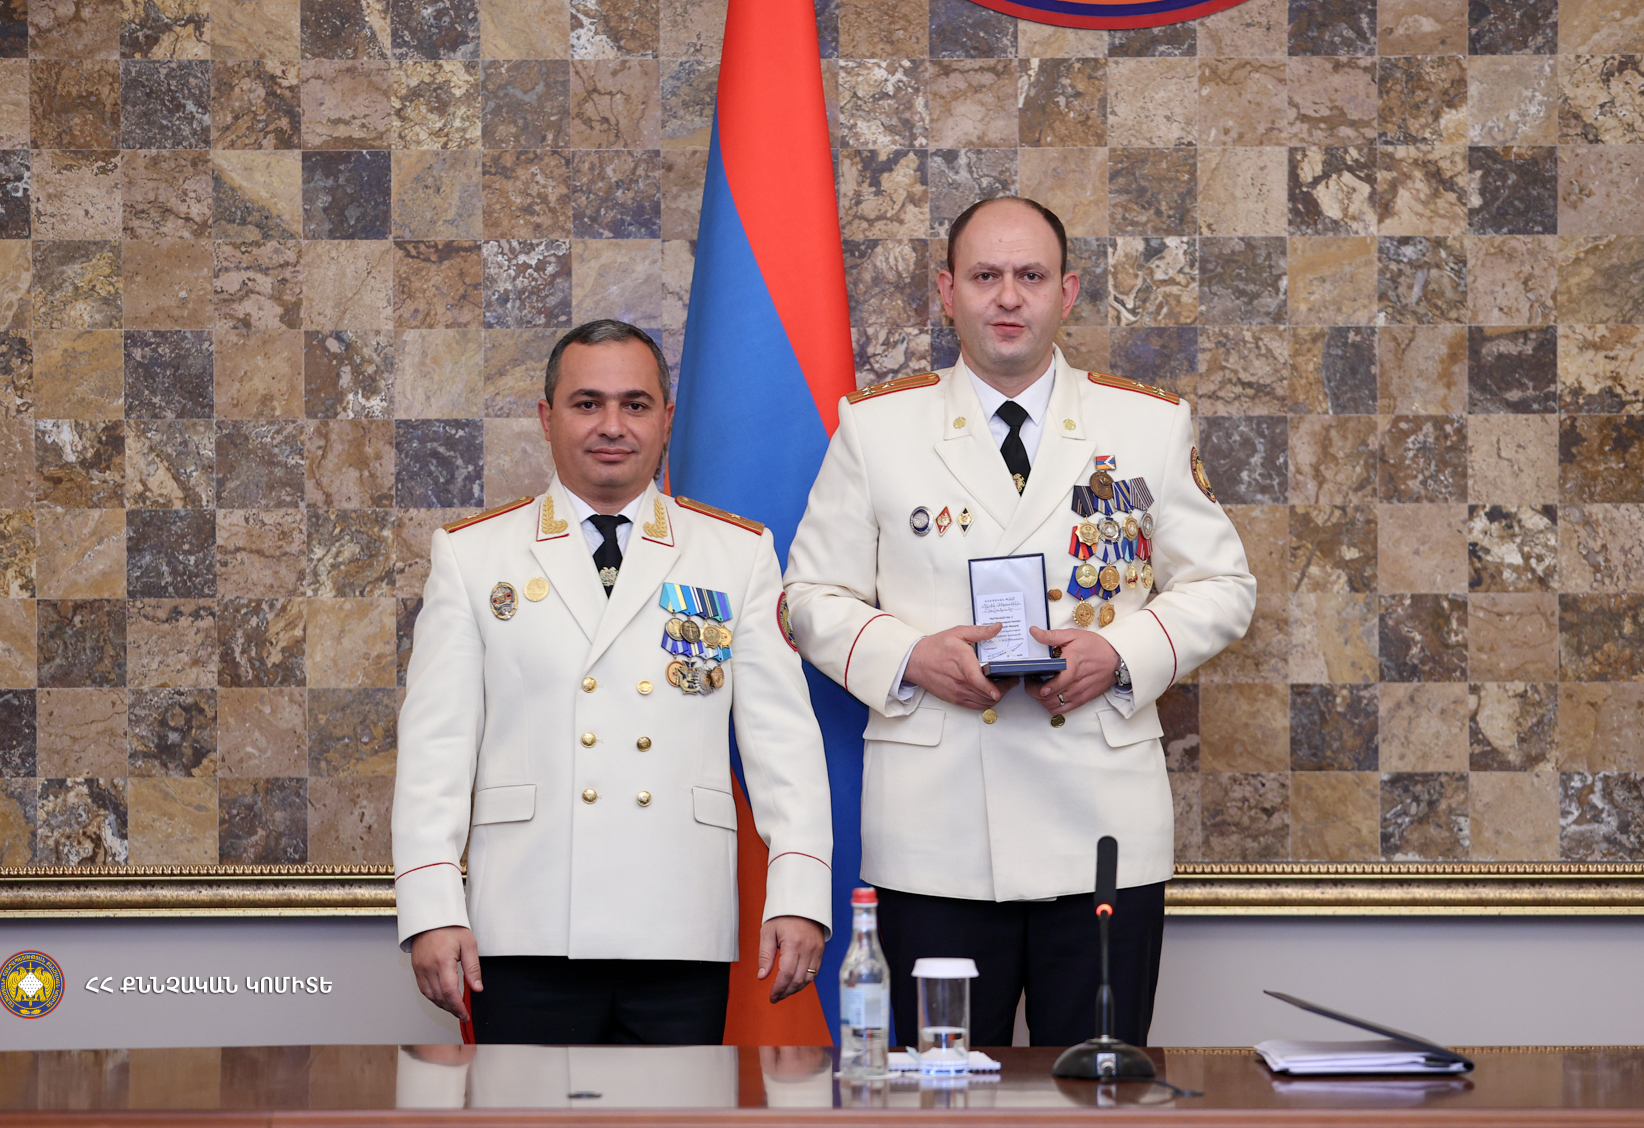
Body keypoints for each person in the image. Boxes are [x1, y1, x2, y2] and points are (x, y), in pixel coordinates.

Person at [783, 197, 1255, 1048]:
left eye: (1031, 276)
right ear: (947, 291)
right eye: (985, 276)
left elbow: (1223, 585)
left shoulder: (1146, 424)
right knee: (939, 1094)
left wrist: (1119, 654)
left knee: (1096, 1088)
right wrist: (910, 656)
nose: (1008, 297)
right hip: (935, 835)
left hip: (1101, 828)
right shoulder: (876, 428)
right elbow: (808, 596)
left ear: (1066, 293)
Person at [394, 319, 833, 1044]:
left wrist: (799, 894)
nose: (611, 426)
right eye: (587, 403)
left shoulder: (736, 554)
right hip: (525, 923)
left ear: (666, 419)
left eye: (635, 404)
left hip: (678, 921)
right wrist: (432, 907)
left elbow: (783, 744)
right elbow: (434, 754)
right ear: (547, 417)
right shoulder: (474, 557)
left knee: (677, 1108)